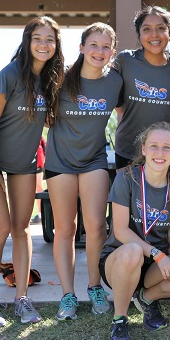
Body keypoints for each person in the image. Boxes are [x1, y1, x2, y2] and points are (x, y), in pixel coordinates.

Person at [0, 16, 64, 328]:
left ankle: (22, 298)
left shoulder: (50, 80)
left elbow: (49, 120)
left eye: (49, 39)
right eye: (38, 38)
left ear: (56, 45)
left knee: (21, 229)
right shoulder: (10, 73)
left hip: (23, 163)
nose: (43, 44)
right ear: (27, 41)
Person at [101, 122, 170, 340]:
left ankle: (146, 298)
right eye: (154, 146)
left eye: (167, 147)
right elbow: (121, 231)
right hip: (120, 260)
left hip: (152, 266)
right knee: (133, 250)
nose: (160, 153)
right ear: (144, 149)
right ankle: (120, 320)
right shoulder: (127, 178)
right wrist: (158, 254)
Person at [45, 22, 123, 320]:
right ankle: (67, 295)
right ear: (81, 47)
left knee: (96, 226)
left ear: (112, 52)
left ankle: (94, 286)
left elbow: (127, 112)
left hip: (93, 160)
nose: (99, 51)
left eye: (105, 47)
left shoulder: (114, 81)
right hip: (60, 162)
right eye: (93, 45)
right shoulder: (60, 78)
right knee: (65, 228)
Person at [113, 6, 170, 170]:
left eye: (161, 28)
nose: (154, 34)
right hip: (127, 148)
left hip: (164, 151)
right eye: (147, 29)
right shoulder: (125, 60)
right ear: (139, 34)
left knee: (162, 196)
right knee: (127, 195)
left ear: (169, 33)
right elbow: (116, 103)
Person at [30, 136, 46, 224]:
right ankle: (40, 214)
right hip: (36, 160)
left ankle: (41, 214)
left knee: (38, 187)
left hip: (37, 161)